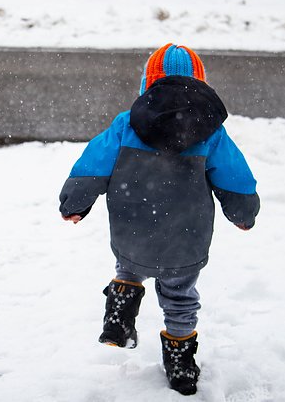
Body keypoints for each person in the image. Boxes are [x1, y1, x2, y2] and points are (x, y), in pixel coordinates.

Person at [58, 43, 260, 395]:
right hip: (185, 233)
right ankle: (180, 362)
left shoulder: (126, 123)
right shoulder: (210, 131)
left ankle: (118, 315)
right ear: (200, 83)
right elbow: (234, 176)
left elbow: (94, 164)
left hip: (132, 223)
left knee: (129, 262)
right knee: (180, 295)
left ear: (147, 84)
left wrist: (75, 202)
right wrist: (242, 212)